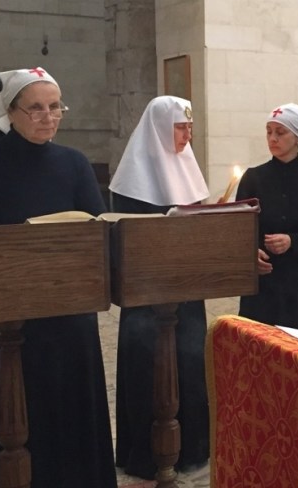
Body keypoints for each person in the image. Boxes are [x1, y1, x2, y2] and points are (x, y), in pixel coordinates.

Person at [0, 67, 117, 487]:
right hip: (8, 323)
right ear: (10, 112)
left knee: (70, 421)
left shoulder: (75, 162)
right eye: (36, 108)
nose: (48, 117)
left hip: (70, 316)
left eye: (55, 107)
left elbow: (98, 231)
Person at [108, 95, 210, 478]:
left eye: (190, 127)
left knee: (190, 364)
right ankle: (146, 454)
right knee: (147, 369)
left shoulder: (187, 167)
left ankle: (193, 448)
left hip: (187, 287)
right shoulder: (131, 180)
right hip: (147, 295)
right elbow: (127, 240)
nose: (187, 136)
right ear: (160, 129)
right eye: (181, 127)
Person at [236, 103, 298, 335]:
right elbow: (239, 228)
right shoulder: (253, 177)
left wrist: (293, 241)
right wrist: (250, 252)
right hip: (263, 283)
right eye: (269, 132)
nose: (272, 138)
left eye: (280, 132)